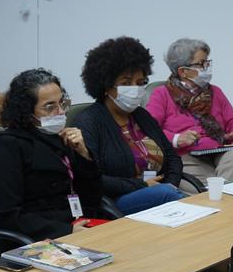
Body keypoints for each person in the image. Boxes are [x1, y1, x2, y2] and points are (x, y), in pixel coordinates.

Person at [0, 69, 104, 241]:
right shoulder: (8, 146)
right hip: (39, 237)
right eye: (50, 107)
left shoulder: (62, 137)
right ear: (27, 112)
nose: (61, 111)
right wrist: (66, 231)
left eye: (62, 103)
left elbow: (93, 198)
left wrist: (84, 155)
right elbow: (9, 217)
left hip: (79, 224)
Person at [72, 37, 187, 215]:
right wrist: (142, 186)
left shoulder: (141, 115)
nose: (135, 88)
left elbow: (172, 157)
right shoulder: (88, 122)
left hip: (161, 193)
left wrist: (171, 182)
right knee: (169, 197)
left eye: (140, 83)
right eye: (126, 83)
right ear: (106, 86)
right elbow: (93, 179)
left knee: (172, 194)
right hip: (114, 202)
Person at [146, 38, 233, 182]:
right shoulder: (161, 94)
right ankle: (222, 198)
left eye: (207, 62)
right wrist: (177, 139)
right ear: (183, 71)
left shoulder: (215, 92)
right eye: (201, 64)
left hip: (217, 149)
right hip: (185, 154)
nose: (207, 67)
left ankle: (229, 198)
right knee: (209, 183)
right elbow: (150, 131)